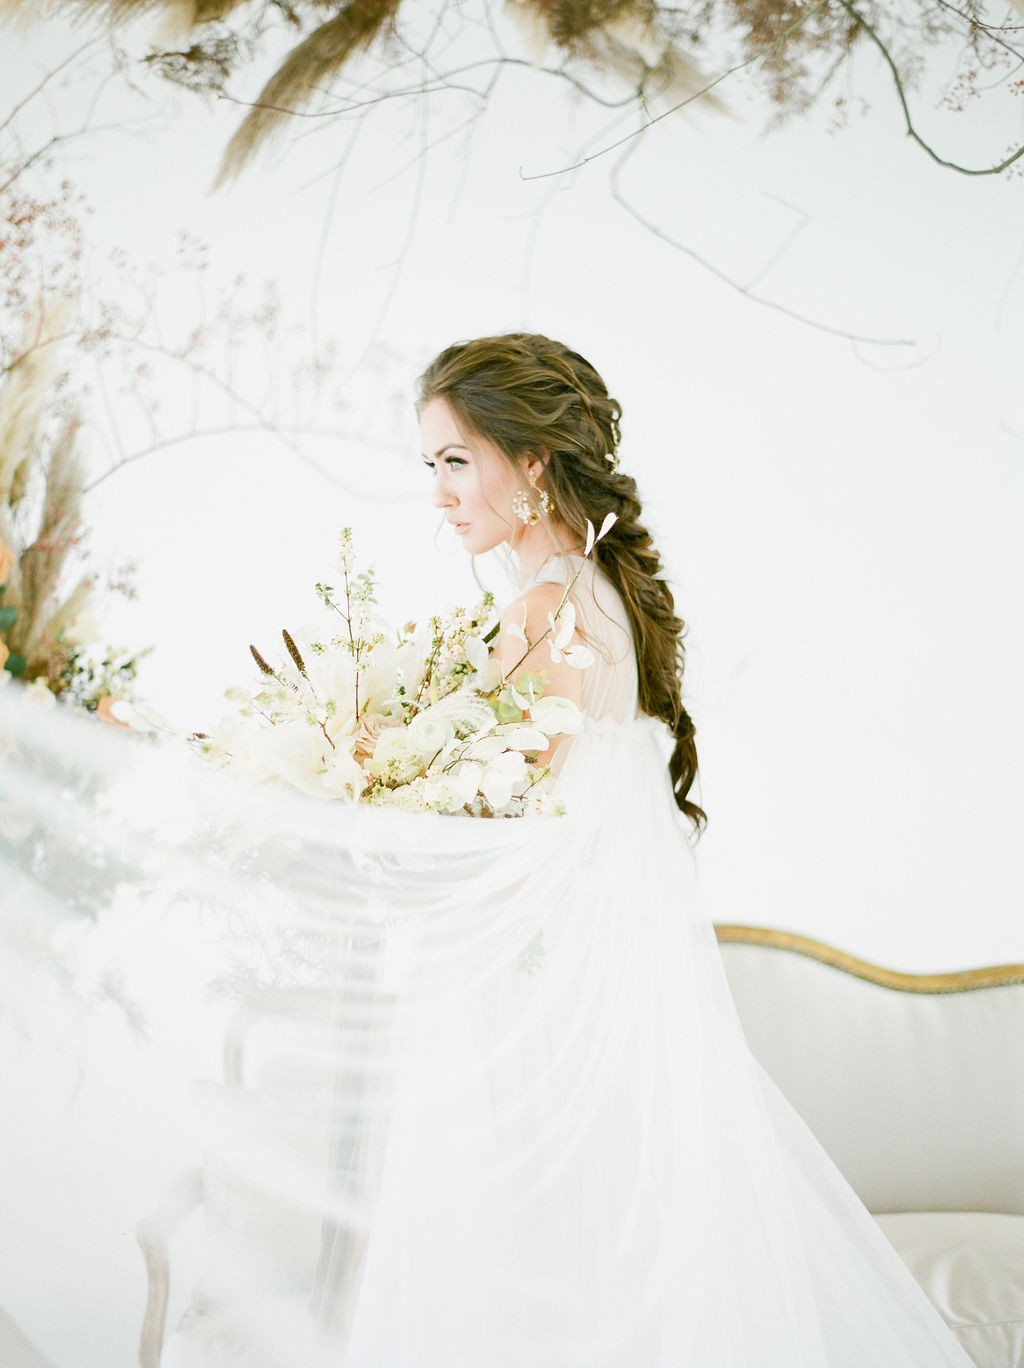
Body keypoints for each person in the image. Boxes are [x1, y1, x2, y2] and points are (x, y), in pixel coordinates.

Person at [0, 335, 977, 1368]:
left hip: (523, 1011)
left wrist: (300, 803)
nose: (438, 494)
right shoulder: (589, 598)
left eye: (456, 462)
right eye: (430, 466)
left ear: (536, 461)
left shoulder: (547, 611)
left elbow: (483, 828)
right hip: (561, 993)